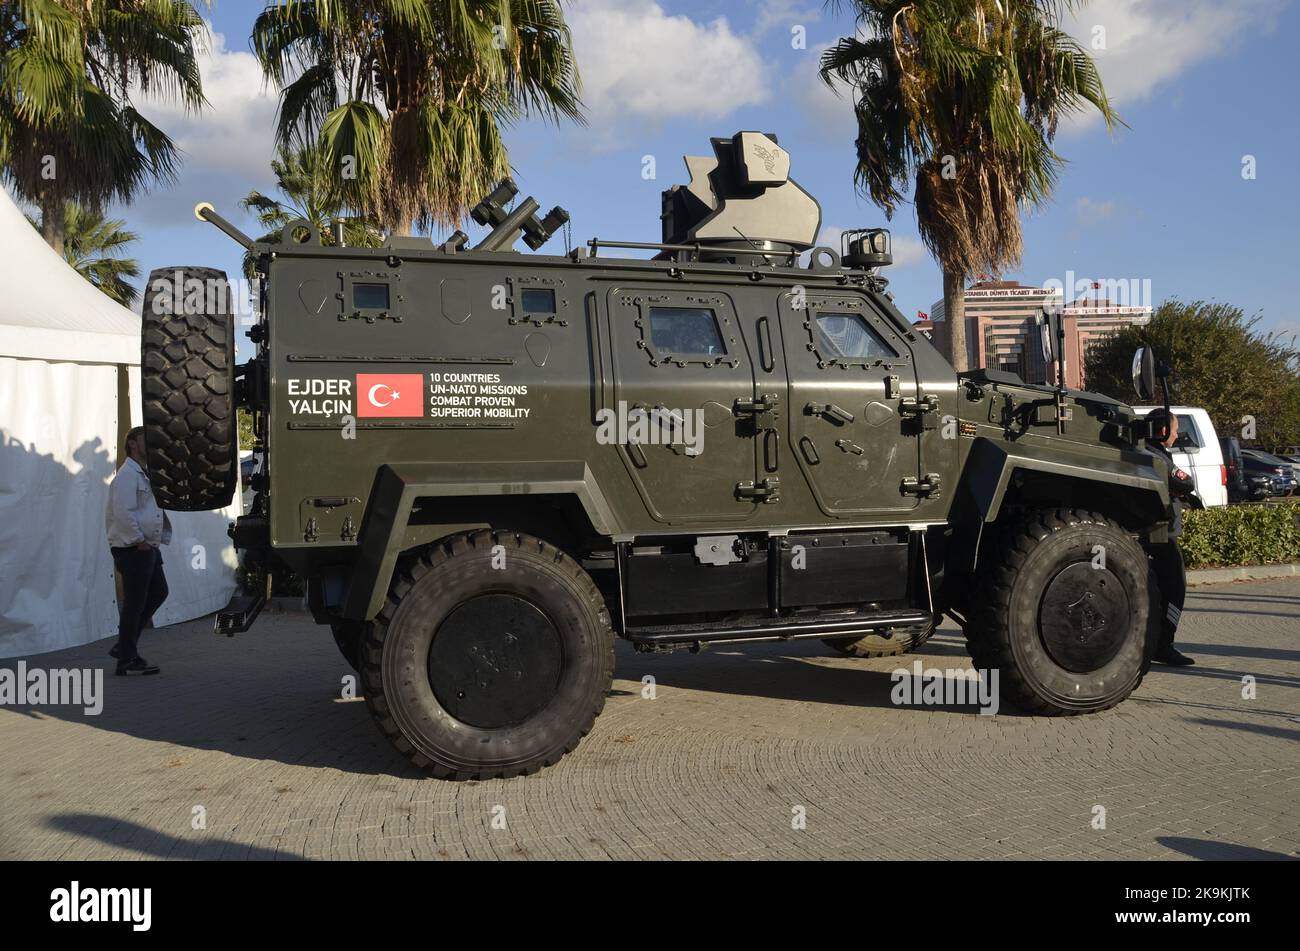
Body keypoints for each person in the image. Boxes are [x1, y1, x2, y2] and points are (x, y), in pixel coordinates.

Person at [105, 427, 170, 675]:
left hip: (146, 547)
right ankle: (127, 660)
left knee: (159, 592)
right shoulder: (127, 476)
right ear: (132, 444)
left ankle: (124, 647)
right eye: (145, 440)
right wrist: (137, 540)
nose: (150, 444)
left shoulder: (143, 474)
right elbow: (123, 512)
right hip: (134, 548)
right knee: (135, 603)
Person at [1147, 411, 1194, 666]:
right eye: (1174, 430)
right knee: (1175, 587)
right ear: (1163, 430)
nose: (1176, 435)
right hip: (1162, 534)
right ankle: (1164, 645)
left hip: (1155, 532)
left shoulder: (1144, 450)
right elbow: (1186, 482)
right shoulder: (1158, 457)